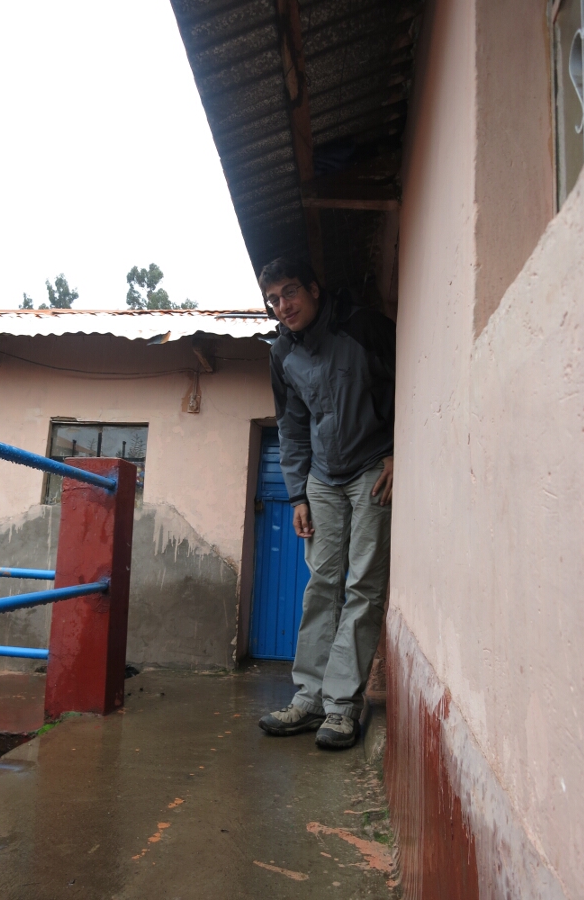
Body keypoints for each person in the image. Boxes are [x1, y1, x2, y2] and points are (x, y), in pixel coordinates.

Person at [257, 258, 395, 749]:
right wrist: (297, 492)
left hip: (373, 468)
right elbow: (291, 425)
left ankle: (341, 707)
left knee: (363, 586)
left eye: (290, 292)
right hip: (321, 478)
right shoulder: (282, 353)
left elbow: (407, 384)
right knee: (322, 585)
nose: (283, 306)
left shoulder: (363, 327)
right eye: (273, 300)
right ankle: (310, 697)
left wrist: (399, 449)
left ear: (314, 289)